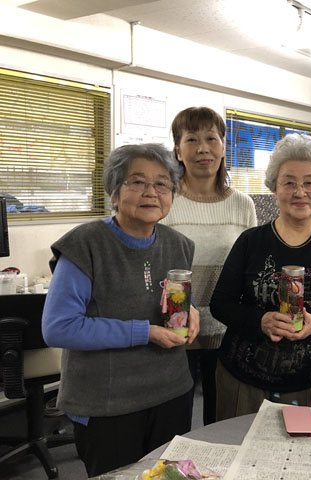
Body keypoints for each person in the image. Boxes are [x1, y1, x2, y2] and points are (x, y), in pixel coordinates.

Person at [42, 143, 200, 477]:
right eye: (137, 182)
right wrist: (144, 332)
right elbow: (59, 327)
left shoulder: (179, 245)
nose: (151, 192)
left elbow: (172, 299)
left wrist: (193, 311)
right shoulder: (85, 245)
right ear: (114, 192)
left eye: (162, 184)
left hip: (171, 393)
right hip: (108, 405)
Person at [210, 132, 311, 420]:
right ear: (274, 188)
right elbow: (220, 303)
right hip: (242, 379)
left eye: (309, 183)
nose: (299, 192)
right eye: (289, 182)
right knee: (236, 445)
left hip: (307, 382)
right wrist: (260, 321)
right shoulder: (251, 241)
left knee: (300, 448)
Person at [160, 106, 256, 425]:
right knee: (174, 423)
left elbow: (249, 270)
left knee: (221, 422)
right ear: (178, 151)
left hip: (226, 330)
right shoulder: (164, 202)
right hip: (175, 331)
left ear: (223, 146)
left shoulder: (242, 205)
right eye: (192, 139)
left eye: (211, 139)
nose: (203, 148)